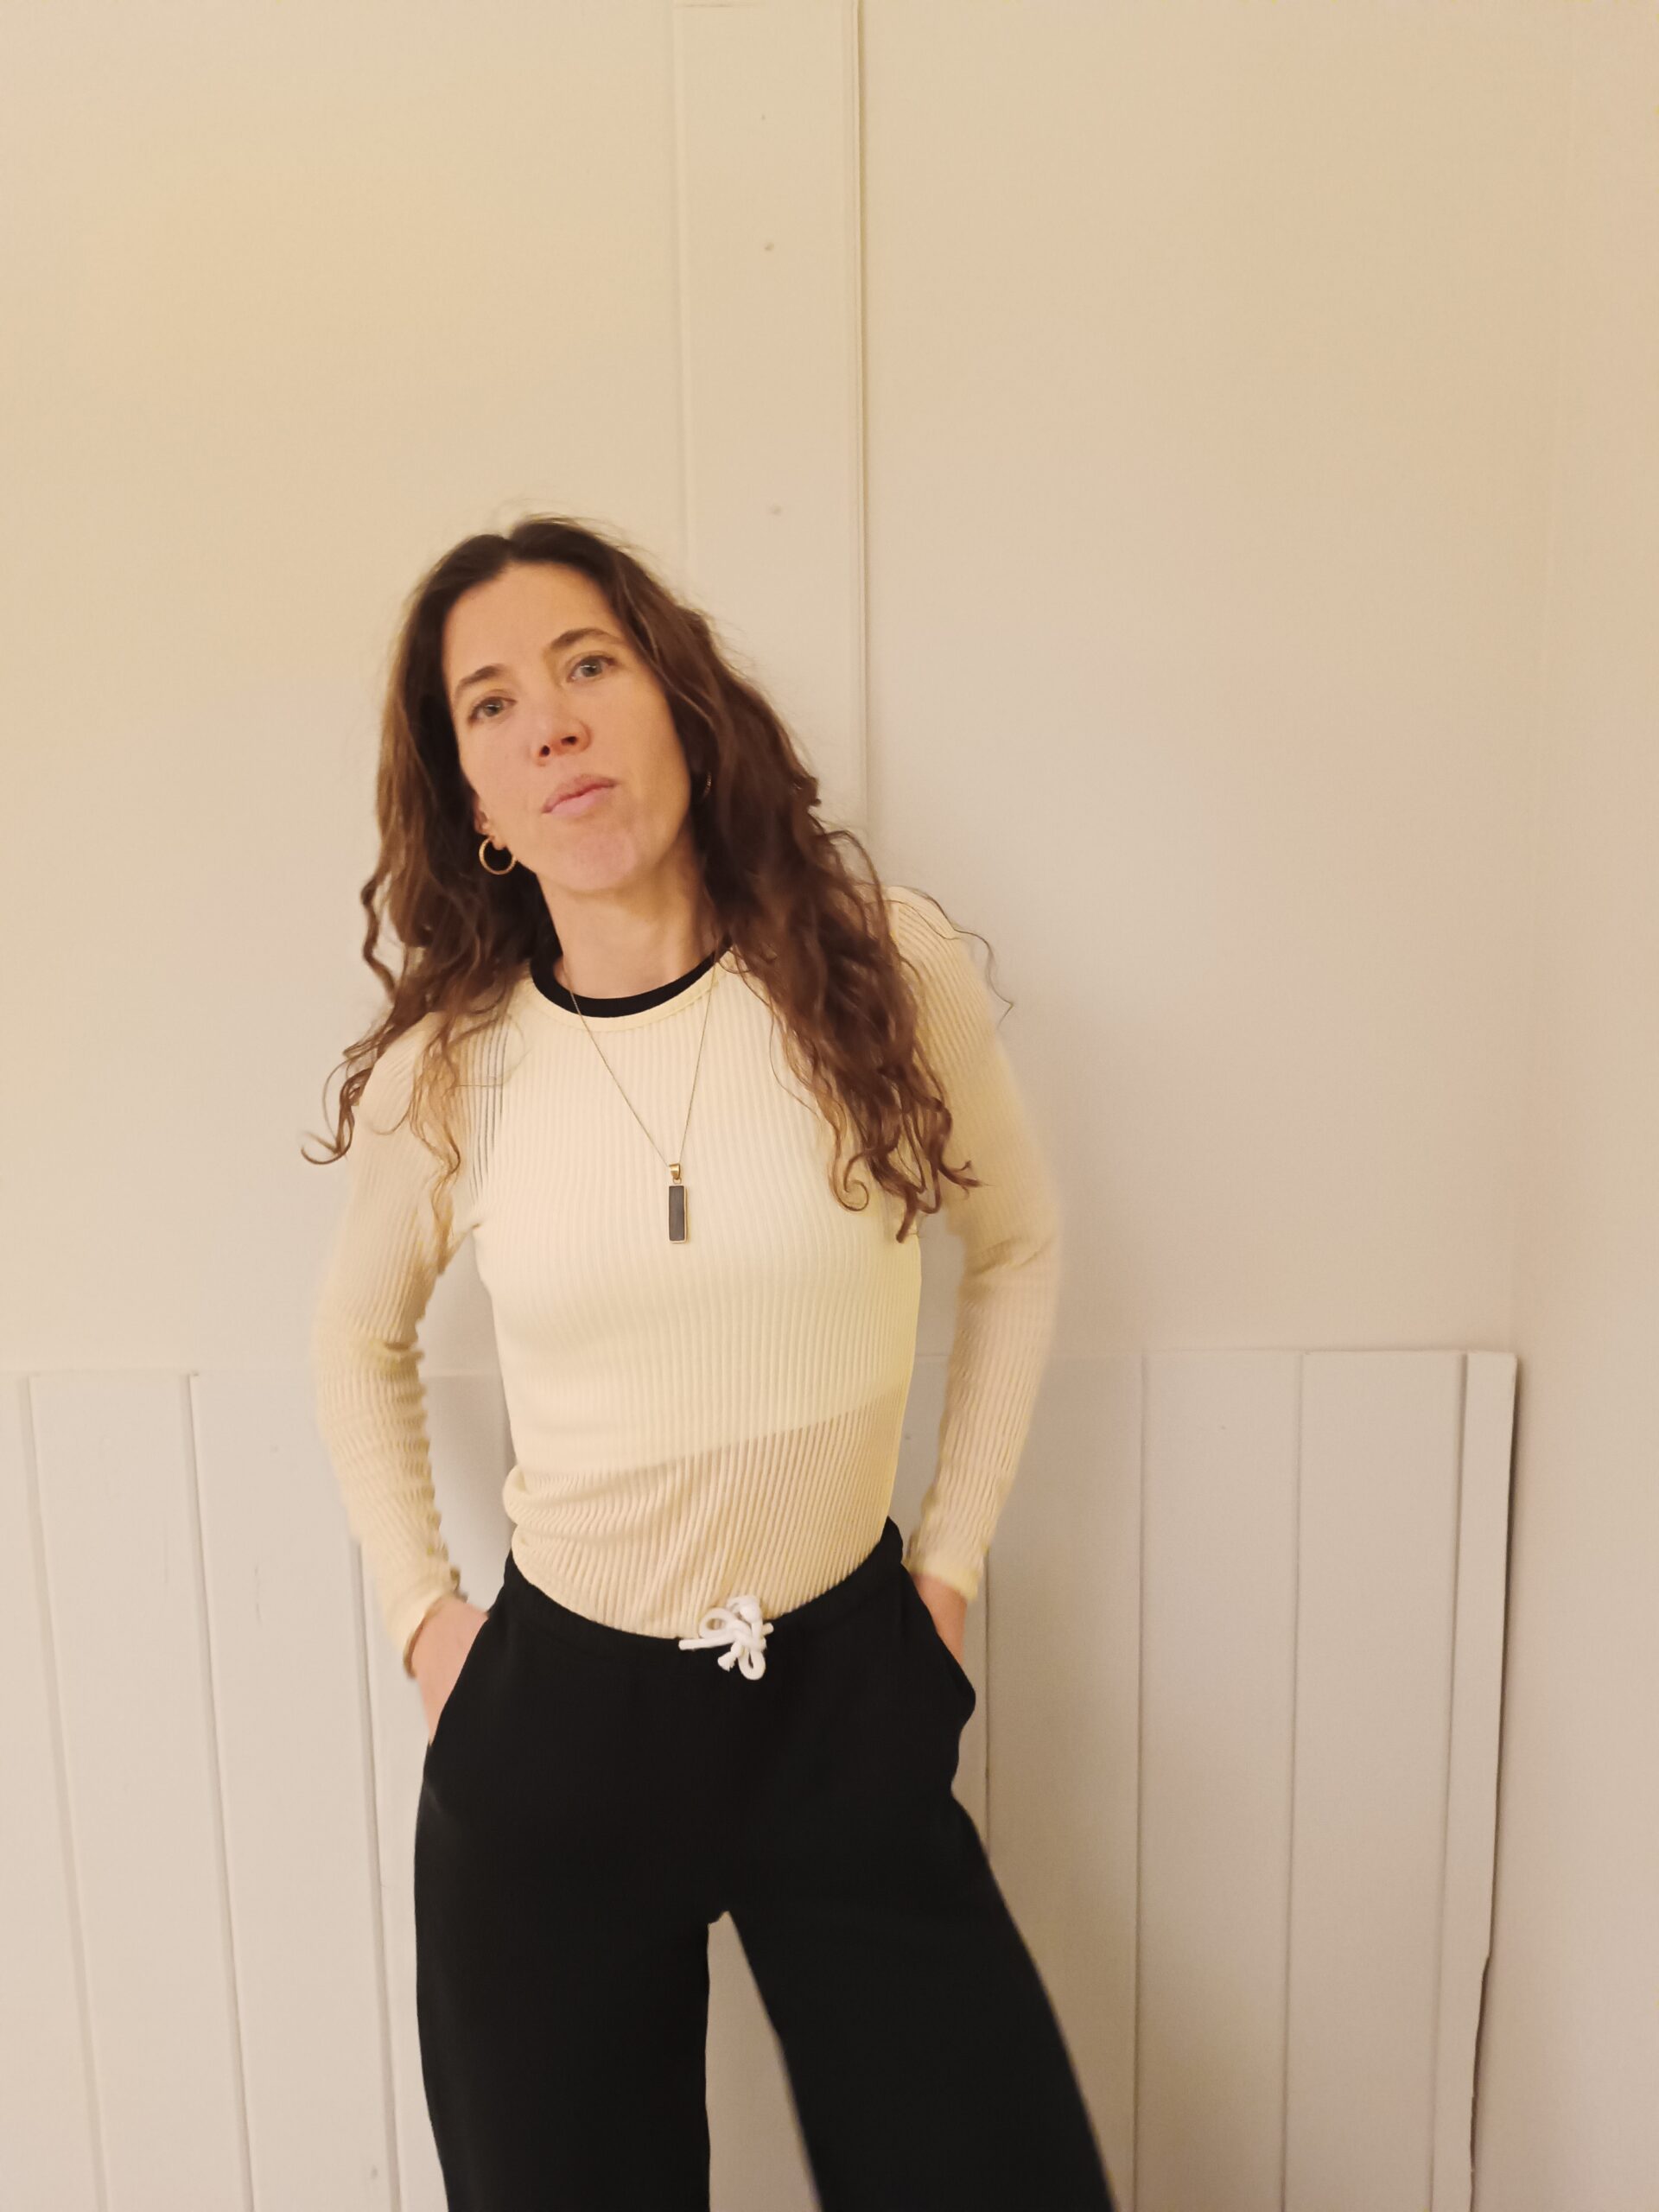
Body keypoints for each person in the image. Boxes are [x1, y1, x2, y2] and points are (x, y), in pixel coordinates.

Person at [307, 516, 1118, 2210]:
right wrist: (426, 1621)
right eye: (492, 703)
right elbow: (354, 1334)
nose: (552, 722)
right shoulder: (457, 1071)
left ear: (678, 701)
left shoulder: (878, 970)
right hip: (561, 1732)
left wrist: (948, 1568)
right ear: (475, 799)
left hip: (842, 1690)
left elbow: (1023, 1247)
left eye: (588, 664)